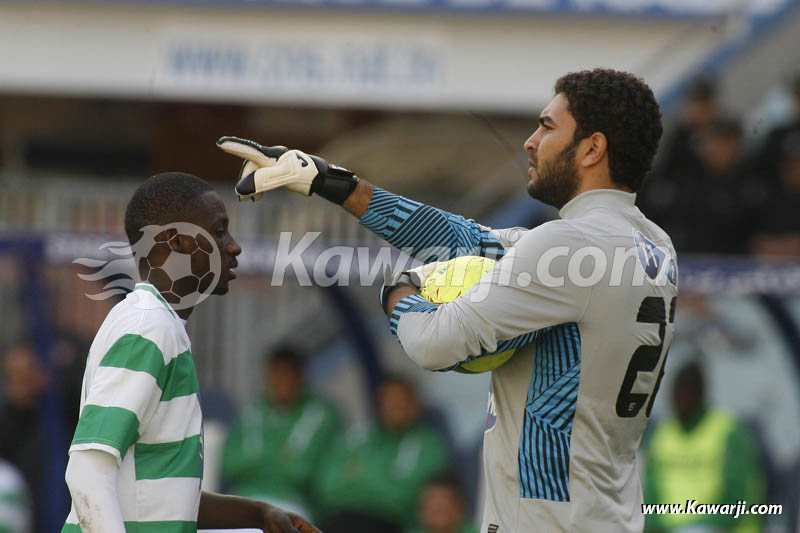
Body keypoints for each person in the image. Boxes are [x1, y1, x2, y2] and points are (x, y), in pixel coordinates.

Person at [218, 68, 678, 532]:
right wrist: (330, 182)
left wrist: (398, 294)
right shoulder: (654, 244)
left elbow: (434, 342)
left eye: (548, 126)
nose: (530, 141)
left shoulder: (568, 246)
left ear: (593, 148)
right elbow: (462, 239)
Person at [61, 173, 319, 533]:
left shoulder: (160, 326)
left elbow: (157, 498)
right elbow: (87, 470)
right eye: (219, 231)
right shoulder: (147, 328)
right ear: (178, 241)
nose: (234, 246)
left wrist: (258, 514)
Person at [313, 376, 449, 532]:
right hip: (335, 519)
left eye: (400, 399)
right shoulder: (359, 436)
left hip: (386, 524)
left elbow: (401, 498)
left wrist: (358, 477)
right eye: (388, 400)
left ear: (414, 404)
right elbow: (326, 484)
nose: (394, 406)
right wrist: (380, 479)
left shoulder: (428, 445)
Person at [643, 361, 764, 532]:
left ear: (700, 394)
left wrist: (689, 525)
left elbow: (737, 502)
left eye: (687, 392)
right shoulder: (662, 435)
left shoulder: (727, 431)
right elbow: (650, 500)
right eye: (677, 392)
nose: (680, 399)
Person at [221, 345, 341, 517]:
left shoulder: (324, 415)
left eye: (287, 374)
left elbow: (308, 474)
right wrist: (281, 459)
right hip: (244, 497)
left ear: (300, 377)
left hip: (294, 504)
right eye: (276, 374)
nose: (281, 381)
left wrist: (259, 461)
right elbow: (230, 464)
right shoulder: (252, 410)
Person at [0, 343, 49, 531]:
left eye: (28, 375)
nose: (23, 383)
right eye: (16, 377)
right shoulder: (5, 423)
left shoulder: (55, 419)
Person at [407, 474, 478, 533]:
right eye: (433, 510)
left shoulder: (481, 530)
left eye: (444, 508)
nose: (437, 507)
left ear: (460, 507)